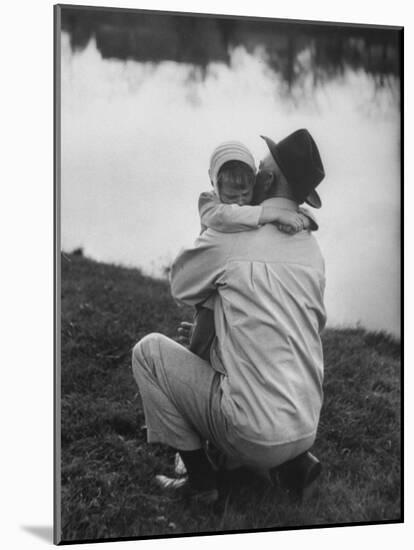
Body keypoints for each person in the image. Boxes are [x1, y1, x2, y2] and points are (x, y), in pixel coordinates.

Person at [131, 129, 327, 504]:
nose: (254, 176)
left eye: (260, 170)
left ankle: (202, 482)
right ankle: (287, 463)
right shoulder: (312, 248)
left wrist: (213, 226)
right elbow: (309, 327)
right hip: (305, 423)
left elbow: (183, 286)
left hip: (254, 428)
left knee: (149, 353)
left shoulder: (227, 237)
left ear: (266, 180)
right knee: (250, 352)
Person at [184, 140, 319, 361]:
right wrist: (273, 215)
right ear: (214, 183)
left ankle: (204, 353)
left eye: (244, 194)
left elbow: (297, 211)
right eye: (230, 197)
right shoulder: (210, 202)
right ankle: (199, 352)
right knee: (208, 317)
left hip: (229, 282)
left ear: (262, 179)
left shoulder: (249, 213)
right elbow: (223, 216)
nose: (238, 202)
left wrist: (302, 220)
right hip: (212, 275)